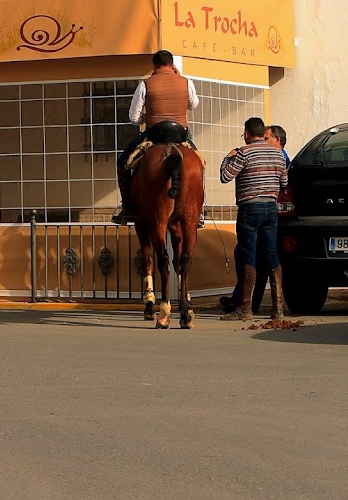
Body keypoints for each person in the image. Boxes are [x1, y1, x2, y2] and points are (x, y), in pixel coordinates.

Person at [113, 50, 200, 225]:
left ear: (154, 65)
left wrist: (148, 116)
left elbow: (133, 118)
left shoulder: (145, 84)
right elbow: (194, 104)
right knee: (200, 164)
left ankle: (128, 207)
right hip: (180, 135)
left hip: (154, 135)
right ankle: (199, 210)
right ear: (172, 64)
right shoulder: (186, 82)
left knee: (123, 163)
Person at [218, 117, 289, 322]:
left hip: (250, 208)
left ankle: (245, 308)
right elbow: (284, 181)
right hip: (270, 208)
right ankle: (278, 308)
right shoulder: (278, 154)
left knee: (249, 256)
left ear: (248, 133)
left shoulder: (244, 152)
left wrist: (228, 158)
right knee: (272, 256)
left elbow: (225, 176)